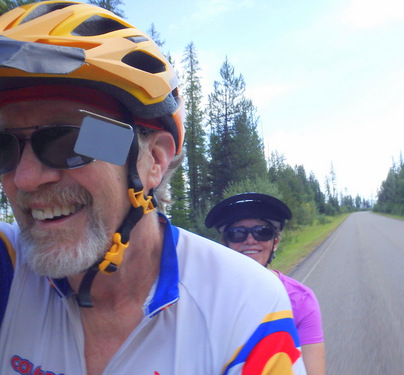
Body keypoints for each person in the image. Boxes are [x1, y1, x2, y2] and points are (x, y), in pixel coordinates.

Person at [0, 2, 306, 374]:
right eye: (3, 148)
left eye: (68, 142)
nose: (25, 179)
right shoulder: (8, 268)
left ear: (154, 161)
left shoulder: (243, 302)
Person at [205, 193, 326, 375]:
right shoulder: (206, 300)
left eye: (262, 232)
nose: (250, 240)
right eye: (237, 234)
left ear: (275, 242)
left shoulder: (301, 301)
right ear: (225, 243)